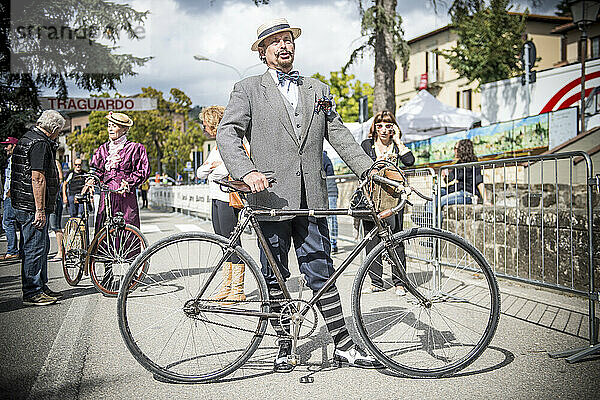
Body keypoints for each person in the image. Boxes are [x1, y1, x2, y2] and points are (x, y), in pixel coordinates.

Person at [217, 18, 380, 372]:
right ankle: (284, 345)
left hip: (313, 198)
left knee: (321, 269)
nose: (283, 46)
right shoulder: (247, 89)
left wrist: (370, 169)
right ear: (262, 52)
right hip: (270, 198)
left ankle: (343, 344)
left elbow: (339, 136)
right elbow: (227, 133)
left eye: (287, 39)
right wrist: (247, 171)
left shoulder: (317, 89)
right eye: (274, 41)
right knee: (275, 274)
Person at [85, 111, 150, 287]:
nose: (110, 128)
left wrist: (128, 182)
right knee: (104, 230)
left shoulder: (136, 148)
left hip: (126, 195)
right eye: (109, 125)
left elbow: (143, 171)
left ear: (123, 129)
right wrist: (91, 180)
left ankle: (132, 271)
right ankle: (107, 274)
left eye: (114, 125)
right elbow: (96, 169)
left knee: (128, 228)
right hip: (107, 194)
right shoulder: (103, 149)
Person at [12, 110, 65, 305]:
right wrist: (40, 210)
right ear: (54, 129)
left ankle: (41, 286)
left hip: (23, 202)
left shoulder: (28, 138)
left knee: (40, 247)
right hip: (31, 205)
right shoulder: (40, 143)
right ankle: (32, 291)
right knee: (34, 248)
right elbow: (38, 178)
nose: (59, 134)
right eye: (59, 131)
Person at [360, 111, 414, 295]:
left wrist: (398, 141)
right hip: (372, 198)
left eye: (389, 126)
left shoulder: (396, 146)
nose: (384, 130)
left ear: (394, 128)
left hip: (393, 199)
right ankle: (376, 282)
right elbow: (361, 168)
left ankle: (399, 282)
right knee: (372, 240)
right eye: (380, 125)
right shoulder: (367, 145)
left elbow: (410, 161)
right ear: (374, 127)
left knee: (396, 239)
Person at [197, 105, 246, 303]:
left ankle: (238, 289)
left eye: (206, 125)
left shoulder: (233, 143)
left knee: (233, 243)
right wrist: (212, 167)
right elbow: (201, 172)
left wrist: (214, 169)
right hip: (216, 198)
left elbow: (226, 171)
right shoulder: (217, 147)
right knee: (223, 243)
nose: (204, 129)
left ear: (215, 125)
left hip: (229, 198)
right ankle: (227, 286)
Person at [425, 138, 487, 225]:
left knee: (440, 201)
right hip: (455, 190)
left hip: (467, 194)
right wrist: (445, 176)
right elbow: (449, 180)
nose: (454, 150)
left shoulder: (473, 164)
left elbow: (479, 181)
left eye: (456, 148)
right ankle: (428, 221)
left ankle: (433, 227)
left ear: (462, 149)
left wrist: (486, 200)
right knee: (434, 195)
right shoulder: (457, 164)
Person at [1, 137, 20, 261]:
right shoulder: (11, 159)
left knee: (8, 222)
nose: (5, 148)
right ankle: (19, 250)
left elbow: (15, 177)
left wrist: (10, 192)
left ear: (13, 146)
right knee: (17, 222)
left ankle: (12, 250)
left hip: (11, 196)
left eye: (7, 145)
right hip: (10, 195)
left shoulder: (15, 159)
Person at [322, 151, 338, 253]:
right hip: (330, 189)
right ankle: (332, 242)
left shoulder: (322, 157)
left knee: (330, 217)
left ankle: (332, 242)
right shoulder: (325, 156)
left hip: (329, 190)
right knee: (331, 217)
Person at [48, 159, 64, 262]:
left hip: (54, 198)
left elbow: (61, 178)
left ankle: (60, 251)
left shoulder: (54, 162)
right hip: (46, 199)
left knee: (55, 226)